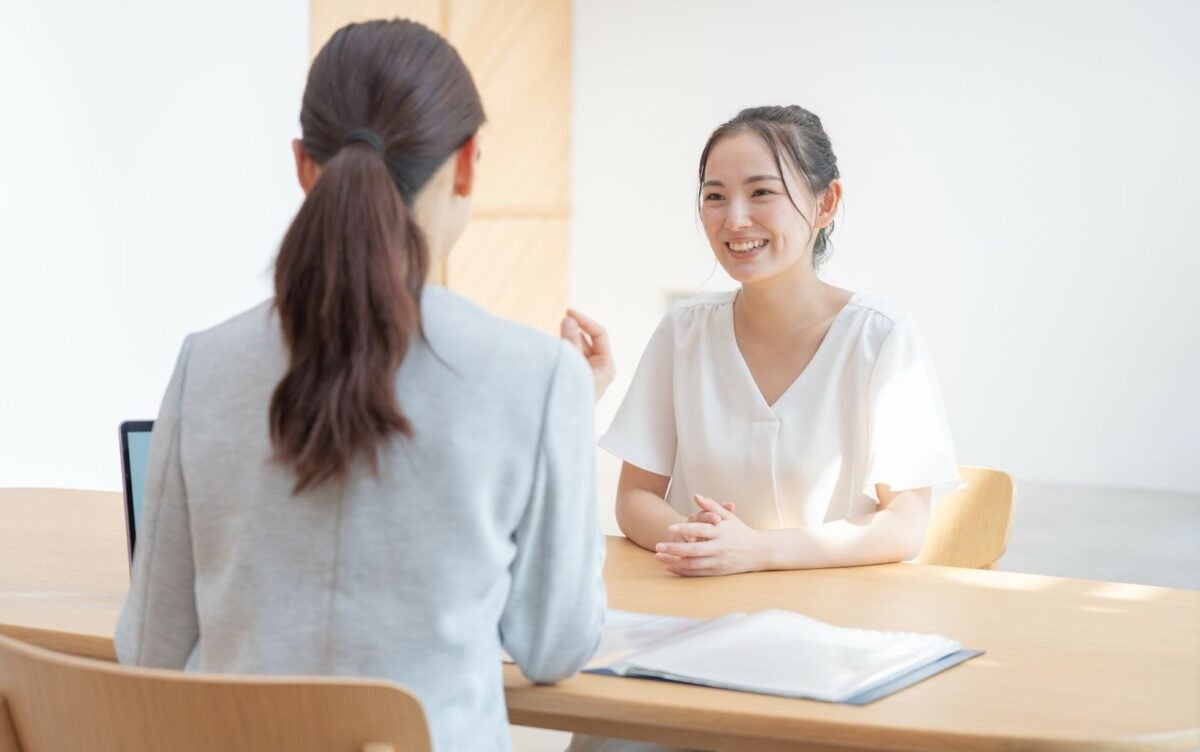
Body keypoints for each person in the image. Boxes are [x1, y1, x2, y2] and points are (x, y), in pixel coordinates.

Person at [115, 20, 608, 752]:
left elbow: (150, 647)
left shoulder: (205, 365)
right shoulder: (537, 377)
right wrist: (562, 430)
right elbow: (554, 644)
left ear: (303, 167)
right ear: (468, 164)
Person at [603, 105, 959, 578]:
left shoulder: (880, 336)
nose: (735, 219)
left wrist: (756, 551)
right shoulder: (685, 330)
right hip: (702, 608)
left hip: (835, 619)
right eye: (715, 196)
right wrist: (701, 542)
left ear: (825, 203)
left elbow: (903, 525)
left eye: (762, 192)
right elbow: (635, 497)